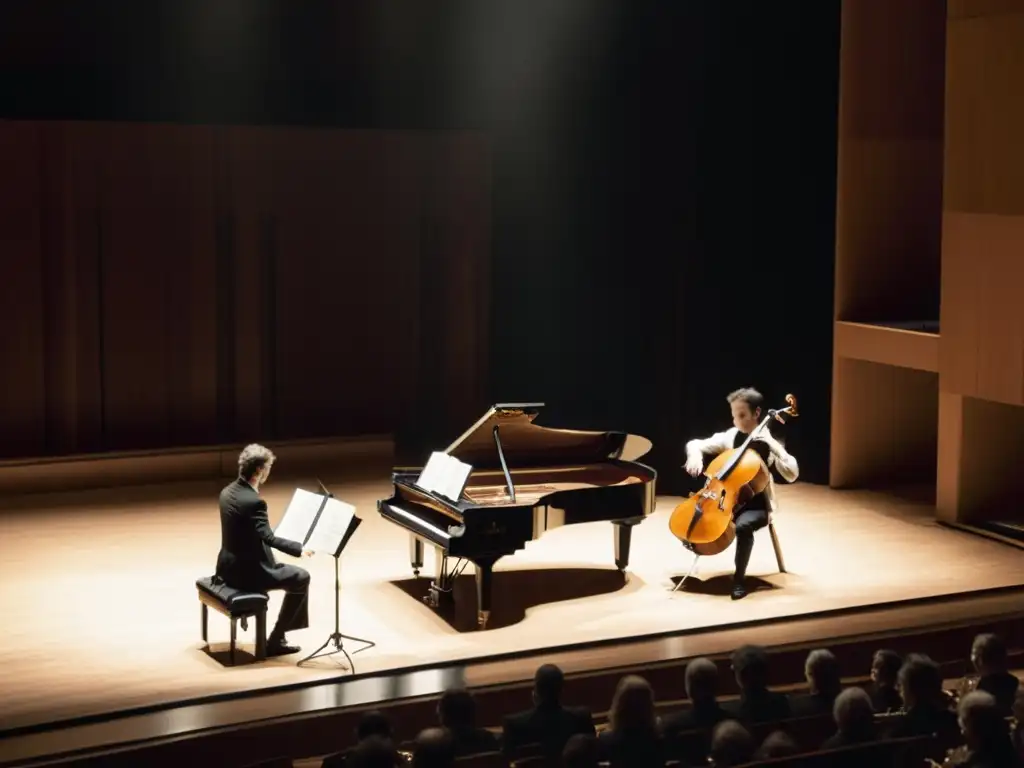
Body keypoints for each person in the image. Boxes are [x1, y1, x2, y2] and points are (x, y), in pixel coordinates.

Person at [683, 387, 799, 599]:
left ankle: (739, 580)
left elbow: (792, 473)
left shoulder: (770, 443)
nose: (736, 421)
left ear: (757, 414)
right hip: (726, 500)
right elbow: (695, 444)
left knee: (743, 527)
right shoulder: (730, 436)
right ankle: (695, 542)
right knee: (700, 514)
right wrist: (695, 457)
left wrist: (773, 445)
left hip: (757, 505)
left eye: (742, 415)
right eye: (734, 415)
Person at [214, 443, 313, 656]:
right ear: (259, 470)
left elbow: (252, 531)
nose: (268, 473)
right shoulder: (255, 502)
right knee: (301, 577)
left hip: (226, 568)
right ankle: (276, 639)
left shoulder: (227, 492)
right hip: (249, 574)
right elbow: (268, 538)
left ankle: (279, 637)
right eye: (267, 468)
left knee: (286, 570)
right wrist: (299, 549)